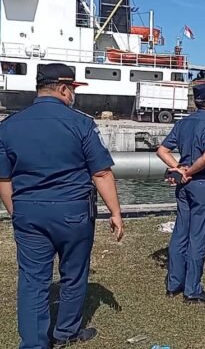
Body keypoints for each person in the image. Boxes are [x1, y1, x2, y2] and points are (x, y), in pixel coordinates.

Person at [0, 63, 124, 348]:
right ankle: (66, 332)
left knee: (32, 280)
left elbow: (4, 178)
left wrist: (16, 211)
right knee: (74, 273)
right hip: (73, 212)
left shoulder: (8, 126)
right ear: (65, 88)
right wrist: (115, 212)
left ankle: (34, 343)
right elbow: (101, 173)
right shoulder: (81, 123)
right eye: (73, 90)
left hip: (29, 211)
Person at [156, 81, 205, 304]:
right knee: (198, 235)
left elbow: (162, 150)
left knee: (180, 231)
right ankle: (192, 288)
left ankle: (174, 283)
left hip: (184, 185)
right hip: (202, 182)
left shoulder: (183, 123)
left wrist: (178, 169)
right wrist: (189, 172)